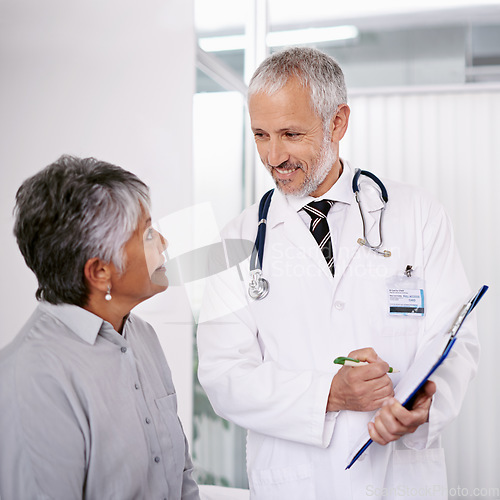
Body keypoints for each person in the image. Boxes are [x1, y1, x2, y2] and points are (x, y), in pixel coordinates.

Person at [197, 47, 479, 499]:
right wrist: (330, 393)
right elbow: (223, 375)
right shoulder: (237, 241)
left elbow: (455, 335)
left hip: (401, 478)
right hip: (295, 482)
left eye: (290, 134)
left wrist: (426, 399)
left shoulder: (418, 215)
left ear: (338, 122)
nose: (273, 156)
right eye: (261, 135)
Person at [0, 156, 200, 500]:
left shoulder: (142, 337)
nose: (163, 242)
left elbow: (181, 478)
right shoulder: (31, 380)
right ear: (99, 272)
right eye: (148, 233)